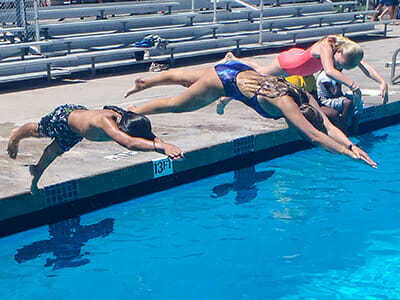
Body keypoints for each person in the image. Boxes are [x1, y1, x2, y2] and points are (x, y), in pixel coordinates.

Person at [124, 59, 377, 168]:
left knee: (184, 78)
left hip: (236, 69)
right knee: (178, 104)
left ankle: (146, 82)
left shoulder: (304, 96)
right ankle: (136, 109)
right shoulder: (286, 106)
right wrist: (346, 154)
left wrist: (352, 146)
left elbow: (326, 125)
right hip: (226, 82)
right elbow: (316, 135)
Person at [7, 104, 184, 192]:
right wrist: (158, 148)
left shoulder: (130, 120)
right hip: (65, 118)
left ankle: (36, 173)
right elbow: (129, 143)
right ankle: (16, 135)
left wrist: (165, 144)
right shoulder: (107, 122)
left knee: (54, 151)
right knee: (38, 131)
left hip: (76, 130)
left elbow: (147, 134)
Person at [222, 35, 389, 104]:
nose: (340, 67)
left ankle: (233, 59)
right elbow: (330, 70)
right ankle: (231, 76)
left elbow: (363, 65)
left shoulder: (345, 48)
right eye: (342, 63)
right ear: (338, 52)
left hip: (300, 61)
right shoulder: (327, 46)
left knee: (262, 71)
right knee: (259, 75)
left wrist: (382, 81)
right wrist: (353, 85)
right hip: (292, 64)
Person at [317, 70, 363, 134]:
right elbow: (334, 93)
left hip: (334, 97)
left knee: (357, 99)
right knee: (347, 102)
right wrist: (338, 81)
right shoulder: (324, 77)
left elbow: (339, 93)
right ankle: (343, 127)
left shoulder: (336, 74)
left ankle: (355, 128)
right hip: (325, 100)